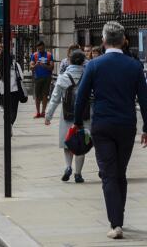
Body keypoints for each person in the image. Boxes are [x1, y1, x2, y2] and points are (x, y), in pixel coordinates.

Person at [73, 22, 147, 240]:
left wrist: (78, 123)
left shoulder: (94, 65)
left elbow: (81, 97)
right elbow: (144, 99)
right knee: (119, 172)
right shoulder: (134, 66)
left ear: (103, 41)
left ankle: (116, 224)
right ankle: (119, 218)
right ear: (124, 41)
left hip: (102, 125)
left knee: (108, 174)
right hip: (126, 125)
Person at [44, 49, 89, 184]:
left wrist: (48, 115)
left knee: (67, 143)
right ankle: (78, 174)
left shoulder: (63, 77)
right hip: (84, 115)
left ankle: (68, 166)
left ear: (69, 61)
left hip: (67, 115)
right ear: (83, 61)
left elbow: (55, 98)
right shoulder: (88, 75)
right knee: (81, 144)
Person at [30, 40, 54, 118]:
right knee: (37, 96)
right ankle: (38, 112)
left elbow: (52, 67)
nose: (40, 50)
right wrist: (36, 65)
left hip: (47, 77)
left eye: (41, 49)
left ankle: (43, 112)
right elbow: (31, 67)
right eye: (39, 49)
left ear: (44, 47)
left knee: (45, 95)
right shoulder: (35, 55)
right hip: (37, 77)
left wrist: (45, 66)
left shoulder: (49, 55)